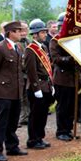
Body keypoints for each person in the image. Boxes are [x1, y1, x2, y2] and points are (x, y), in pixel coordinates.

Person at [0, 21, 28, 161]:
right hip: (2, 92)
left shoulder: (19, 47)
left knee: (13, 121)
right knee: (0, 123)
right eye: (18, 31)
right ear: (10, 32)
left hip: (16, 91)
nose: (21, 33)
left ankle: (12, 147)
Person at [24, 19, 54, 149]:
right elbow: (31, 71)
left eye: (45, 32)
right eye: (42, 32)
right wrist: (36, 88)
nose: (45, 35)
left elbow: (48, 69)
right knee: (35, 115)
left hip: (46, 86)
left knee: (43, 114)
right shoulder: (31, 50)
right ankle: (33, 139)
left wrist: (51, 85)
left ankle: (40, 137)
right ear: (34, 34)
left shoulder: (44, 47)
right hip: (36, 87)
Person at [49, 12, 77, 141]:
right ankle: (61, 131)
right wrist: (71, 59)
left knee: (71, 106)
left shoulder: (73, 40)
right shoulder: (55, 41)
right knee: (62, 106)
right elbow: (56, 59)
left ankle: (68, 128)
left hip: (73, 78)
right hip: (62, 78)